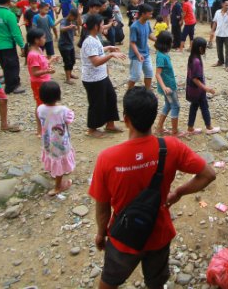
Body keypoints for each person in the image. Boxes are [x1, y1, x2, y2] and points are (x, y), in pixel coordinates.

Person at [89, 87, 216, 289]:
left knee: (108, 283)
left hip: (123, 237)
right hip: (159, 233)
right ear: (154, 115)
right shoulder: (172, 147)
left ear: (126, 119)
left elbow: (102, 207)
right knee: (156, 283)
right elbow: (209, 174)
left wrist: (100, 233)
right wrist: (178, 193)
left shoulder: (107, 158)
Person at [81, 14, 127, 138]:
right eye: (102, 25)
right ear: (95, 26)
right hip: (93, 78)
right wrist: (111, 55)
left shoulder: (95, 38)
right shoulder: (89, 41)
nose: (103, 26)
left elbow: (99, 50)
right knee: (96, 103)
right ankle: (92, 129)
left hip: (101, 76)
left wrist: (109, 48)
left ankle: (110, 124)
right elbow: (95, 62)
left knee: (111, 97)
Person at [38, 81, 77, 196]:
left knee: (51, 156)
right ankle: (58, 186)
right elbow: (69, 120)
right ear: (58, 96)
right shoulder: (62, 110)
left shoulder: (40, 108)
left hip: (47, 140)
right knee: (59, 159)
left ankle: (53, 171)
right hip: (60, 142)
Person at [0, 0, 26, 94]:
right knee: (13, 65)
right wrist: (22, 45)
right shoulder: (9, 15)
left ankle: (7, 79)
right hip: (7, 44)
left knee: (4, 63)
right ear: (9, 1)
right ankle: (12, 86)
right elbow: (15, 33)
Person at [26, 28, 58, 136]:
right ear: (36, 40)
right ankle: (40, 129)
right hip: (38, 83)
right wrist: (47, 71)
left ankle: (46, 127)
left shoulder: (39, 50)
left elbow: (42, 65)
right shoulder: (33, 54)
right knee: (40, 106)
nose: (45, 39)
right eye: (43, 37)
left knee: (46, 104)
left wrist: (51, 61)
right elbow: (35, 72)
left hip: (44, 81)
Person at [186, 37, 220, 135]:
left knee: (194, 107)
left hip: (192, 89)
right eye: (204, 48)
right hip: (198, 91)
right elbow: (195, 78)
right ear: (200, 48)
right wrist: (206, 88)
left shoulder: (192, 57)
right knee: (204, 107)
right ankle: (209, 127)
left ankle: (190, 127)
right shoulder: (196, 61)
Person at [154, 31, 182, 137]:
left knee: (168, 105)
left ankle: (159, 127)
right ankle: (174, 131)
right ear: (166, 43)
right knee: (176, 106)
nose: (172, 43)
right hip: (168, 88)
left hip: (169, 85)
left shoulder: (163, 54)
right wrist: (164, 87)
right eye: (171, 42)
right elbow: (157, 74)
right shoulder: (161, 56)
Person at [128, 4, 157, 90]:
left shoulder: (147, 23)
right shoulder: (134, 27)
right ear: (143, 14)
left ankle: (147, 92)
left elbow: (149, 34)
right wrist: (138, 54)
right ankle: (129, 93)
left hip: (146, 53)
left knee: (149, 73)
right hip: (136, 55)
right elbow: (132, 43)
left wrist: (157, 39)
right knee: (135, 76)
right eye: (150, 14)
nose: (151, 15)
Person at [212, 0, 228, 71]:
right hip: (219, 33)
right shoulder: (217, 12)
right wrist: (212, 31)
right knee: (219, 49)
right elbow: (215, 22)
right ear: (222, 4)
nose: (227, 7)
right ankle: (220, 61)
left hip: (227, 34)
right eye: (226, 5)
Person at [59, 8, 79, 85]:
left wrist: (75, 28)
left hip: (70, 45)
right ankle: (67, 79)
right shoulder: (64, 21)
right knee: (67, 62)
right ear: (71, 15)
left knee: (72, 60)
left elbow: (78, 25)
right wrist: (69, 27)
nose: (75, 19)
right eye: (74, 17)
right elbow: (61, 29)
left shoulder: (72, 21)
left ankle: (70, 73)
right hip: (64, 45)